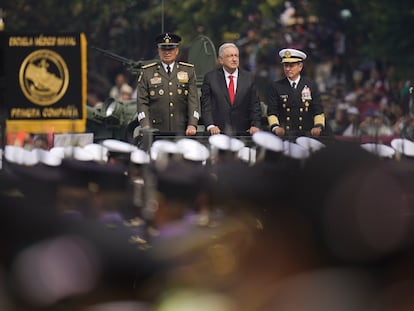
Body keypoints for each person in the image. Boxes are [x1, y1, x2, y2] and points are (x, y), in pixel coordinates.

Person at [136, 32, 199, 136]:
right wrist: (145, 125)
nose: (167, 52)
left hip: (182, 129)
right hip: (155, 130)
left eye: (171, 49)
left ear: (177, 51)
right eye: (163, 49)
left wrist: (192, 124)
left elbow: (193, 101)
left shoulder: (188, 71)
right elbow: (142, 102)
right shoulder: (148, 72)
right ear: (158, 51)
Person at [200, 42, 262, 135]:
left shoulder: (249, 78)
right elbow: (206, 105)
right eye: (230, 56)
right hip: (218, 133)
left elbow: (255, 105)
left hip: (244, 133)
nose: (234, 59)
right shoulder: (210, 78)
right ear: (221, 60)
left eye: (236, 56)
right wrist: (210, 125)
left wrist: (255, 125)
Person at [267, 48, 326, 138]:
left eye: (291, 66)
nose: (288, 69)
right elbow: (272, 111)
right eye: (285, 65)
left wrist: (318, 126)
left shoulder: (310, 85)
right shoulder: (276, 86)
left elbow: (318, 110)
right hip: (285, 134)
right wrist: (275, 127)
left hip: (307, 134)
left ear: (300, 66)